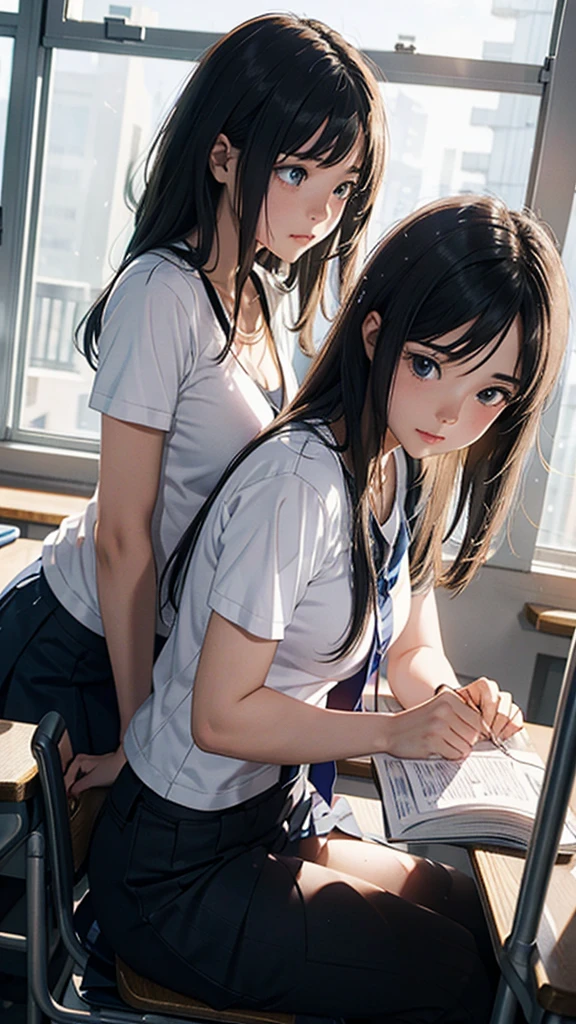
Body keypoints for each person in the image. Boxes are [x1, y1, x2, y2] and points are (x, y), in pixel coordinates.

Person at [88, 195, 569, 1023]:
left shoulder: (402, 466)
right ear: (376, 333)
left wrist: (456, 705)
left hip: (269, 811)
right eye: (430, 365)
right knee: (468, 980)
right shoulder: (300, 483)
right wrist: (393, 732)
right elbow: (219, 718)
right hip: (177, 865)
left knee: (488, 930)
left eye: (490, 390)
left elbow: (415, 651)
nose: (452, 413)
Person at [0, 14, 385, 787]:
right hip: (77, 645)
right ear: (222, 155)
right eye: (297, 173)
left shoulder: (262, 298)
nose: (322, 210)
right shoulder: (160, 292)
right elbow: (122, 538)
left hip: (140, 651)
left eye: (341, 186)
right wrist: (144, 728)